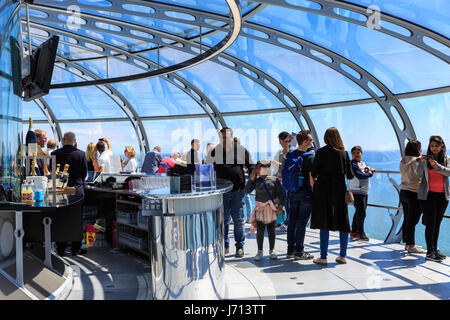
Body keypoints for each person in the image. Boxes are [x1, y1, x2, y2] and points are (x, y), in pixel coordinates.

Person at [205, 127, 255, 258]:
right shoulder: (216, 151)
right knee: (224, 220)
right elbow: (206, 167)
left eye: (226, 137)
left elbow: (251, 166)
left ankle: (240, 246)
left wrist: (251, 181)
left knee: (238, 220)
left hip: (238, 191)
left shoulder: (240, 150)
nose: (224, 140)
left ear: (232, 137)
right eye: (221, 137)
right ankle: (225, 245)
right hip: (222, 192)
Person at [310, 127, 354, 266]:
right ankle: (342, 255)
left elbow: (314, 173)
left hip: (323, 190)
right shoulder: (344, 153)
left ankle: (323, 257)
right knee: (343, 221)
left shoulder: (320, 152)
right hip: (339, 190)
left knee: (325, 221)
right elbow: (350, 175)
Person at [51, 131, 88, 256]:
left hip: (59, 190)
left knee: (60, 218)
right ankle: (75, 248)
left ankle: (60, 248)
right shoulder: (81, 154)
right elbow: (84, 174)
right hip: (76, 190)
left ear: (63, 140)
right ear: (75, 140)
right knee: (76, 219)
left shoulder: (54, 154)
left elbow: (51, 173)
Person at [415, 136, 450, 262]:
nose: (434, 148)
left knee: (437, 223)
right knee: (430, 223)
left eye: (436, 145)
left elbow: (448, 172)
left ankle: (434, 249)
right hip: (427, 196)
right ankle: (430, 252)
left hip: (443, 196)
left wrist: (436, 165)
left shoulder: (447, 159)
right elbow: (417, 174)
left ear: (441, 146)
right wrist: (422, 163)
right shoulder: (423, 160)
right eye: (432, 146)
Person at [284, 130, 315, 260]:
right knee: (302, 222)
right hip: (305, 194)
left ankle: (290, 250)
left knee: (292, 221)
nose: (312, 142)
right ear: (305, 142)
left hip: (292, 192)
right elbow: (312, 177)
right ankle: (299, 251)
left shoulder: (291, 154)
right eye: (310, 140)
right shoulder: (309, 157)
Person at [244, 160, 284, 261]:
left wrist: (280, 206)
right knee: (260, 231)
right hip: (260, 209)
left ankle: (272, 250)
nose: (256, 170)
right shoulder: (256, 181)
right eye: (257, 168)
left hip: (271, 209)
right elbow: (247, 190)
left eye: (258, 168)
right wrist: (251, 179)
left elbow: (281, 194)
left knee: (271, 230)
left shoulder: (274, 180)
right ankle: (260, 251)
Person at [399, 140, 426, 254]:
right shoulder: (418, 161)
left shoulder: (403, 160)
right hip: (414, 192)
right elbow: (420, 174)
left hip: (404, 192)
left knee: (407, 218)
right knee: (412, 221)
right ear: (417, 149)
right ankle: (411, 245)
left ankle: (408, 243)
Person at [349, 146, 376, 241]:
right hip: (357, 191)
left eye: (358, 153)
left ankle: (354, 231)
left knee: (359, 211)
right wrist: (370, 174)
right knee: (362, 212)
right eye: (354, 153)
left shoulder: (362, 163)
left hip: (363, 191)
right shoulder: (352, 164)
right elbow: (359, 175)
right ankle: (361, 233)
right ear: (351, 155)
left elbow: (364, 170)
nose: (356, 155)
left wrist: (369, 169)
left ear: (361, 154)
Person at [272, 131, 295, 231]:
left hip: (289, 182)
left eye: (281, 140)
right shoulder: (280, 152)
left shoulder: (292, 151)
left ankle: (288, 222)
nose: (280, 142)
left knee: (288, 202)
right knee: (284, 201)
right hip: (283, 181)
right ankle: (285, 222)